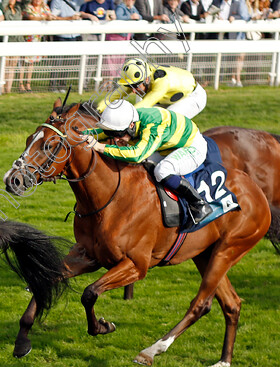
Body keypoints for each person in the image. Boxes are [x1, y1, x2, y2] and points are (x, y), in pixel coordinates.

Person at [83, 101, 212, 224]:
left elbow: (137, 155)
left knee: (162, 170)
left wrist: (100, 147)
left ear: (131, 125)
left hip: (191, 147)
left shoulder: (152, 125)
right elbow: (100, 133)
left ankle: (199, 203)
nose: (116, 139)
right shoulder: (128, 119)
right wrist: (75, 135)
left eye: (118, 134)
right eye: (112, 133)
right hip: (168, 147)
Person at [98, 58, 207, 120]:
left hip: (192, 97)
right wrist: (98, 110)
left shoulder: (162, 81)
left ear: (146, 79)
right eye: (130, 87)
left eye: (136, 87)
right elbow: (114, 96)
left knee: (167, 120)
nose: (133, 91)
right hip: (167, 98)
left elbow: (146, 104)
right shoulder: (138, 79)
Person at [21, 0, 55, 93]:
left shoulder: (45, 8)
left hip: (38, 37)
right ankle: (20, 84)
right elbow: (30, 17)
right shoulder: (28, 7)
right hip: (28, 37)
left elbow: (50, 16)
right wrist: (44, 17)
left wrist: (50, 17)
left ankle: (28, 84)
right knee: (24, 61)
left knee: (31, 63)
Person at [0, 0, 23, 94]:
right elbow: (3, 5)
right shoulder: (4, 9)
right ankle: (1, 88)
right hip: (6, 40)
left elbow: (26, 2)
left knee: (12, 66)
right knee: (4, 65)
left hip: (17, 40)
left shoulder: (18, 8)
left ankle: (8, 89)